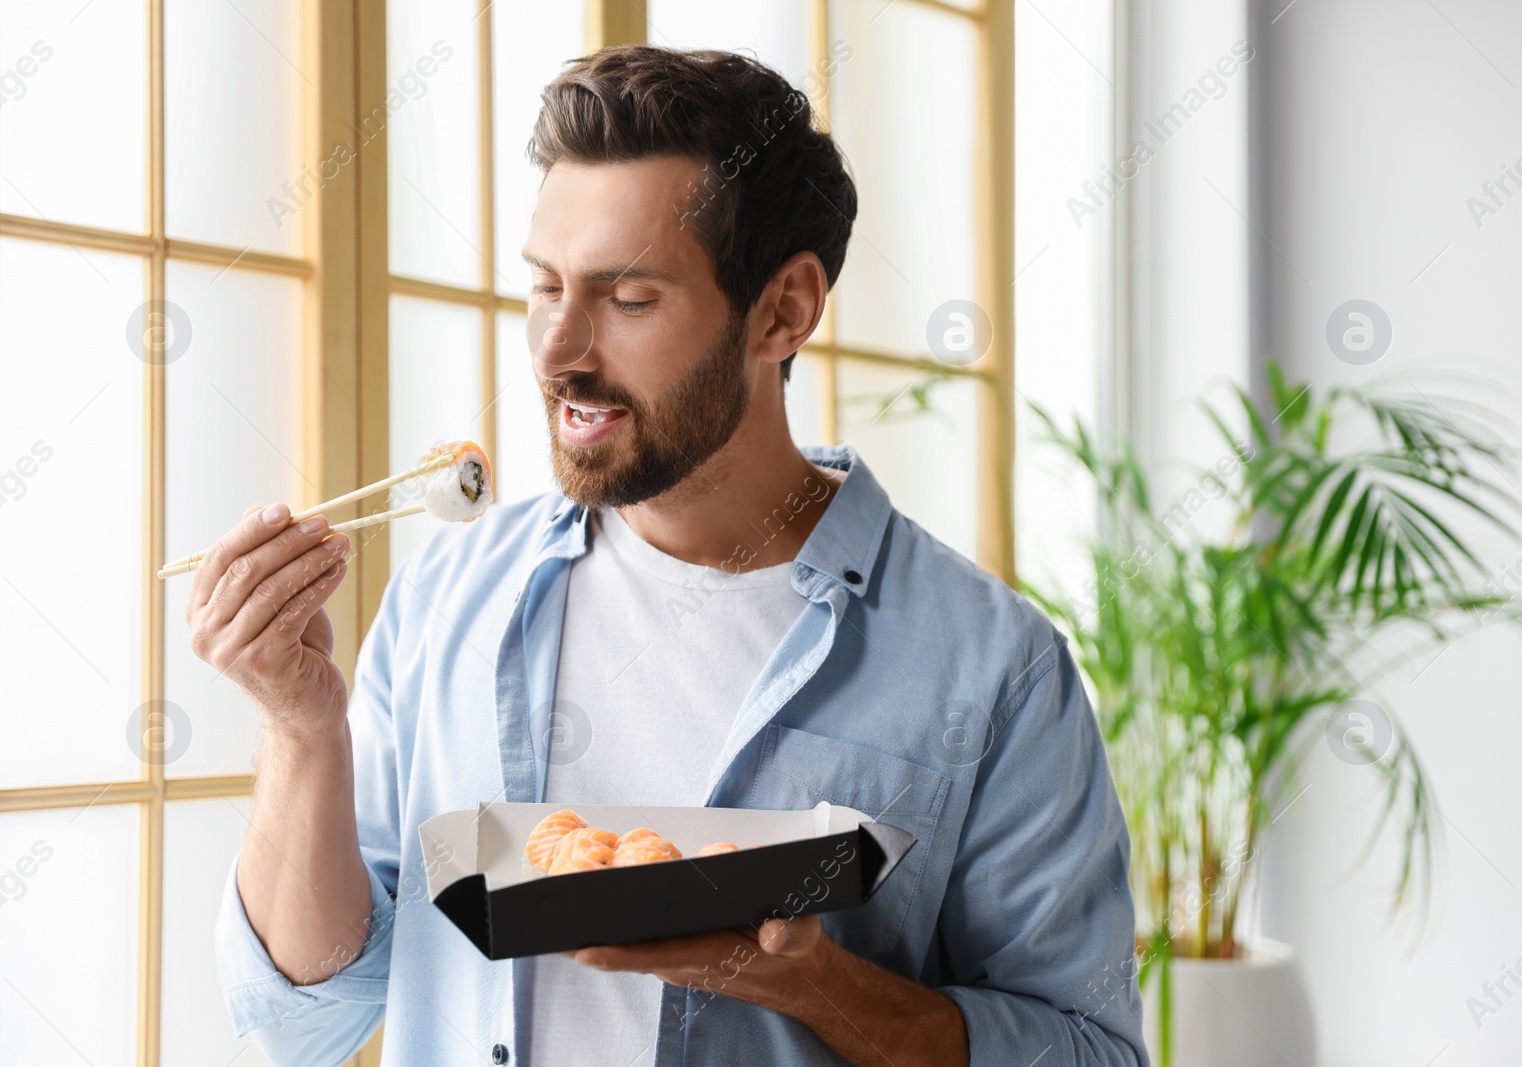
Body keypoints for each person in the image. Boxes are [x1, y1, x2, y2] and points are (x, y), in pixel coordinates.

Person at [195, 45, 1146, 1067]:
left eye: (628, 298)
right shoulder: (449, 594)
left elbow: (1087, 1049)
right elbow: (304, 1020)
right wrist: (301, 730)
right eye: (544, 286)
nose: (560, 349)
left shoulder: (990, 665)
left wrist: (817, 984)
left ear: (783, 310)